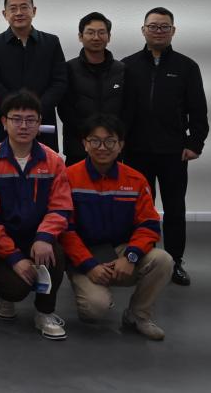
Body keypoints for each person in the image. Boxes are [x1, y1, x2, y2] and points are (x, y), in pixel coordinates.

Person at [60, 114, 172, 340]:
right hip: (84, 256)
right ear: (84, 144)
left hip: (121, 252)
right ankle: (91, 289)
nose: (102, 147)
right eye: (95, 141)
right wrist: (89, 265)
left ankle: (137, 315)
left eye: (110, 141)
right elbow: (65, 230)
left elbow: (149, 225)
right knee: (94, 310)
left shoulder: (135, 180)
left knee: (163, 260)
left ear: (121, 145)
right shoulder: (68, 178)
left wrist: (130, 256)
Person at [122, 6, 208, 286]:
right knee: (138, 210)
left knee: (174, 209)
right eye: (153, 26)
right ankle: (140, 259)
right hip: (136, 151)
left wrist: (195, 144)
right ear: (143, 30)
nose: (158, 31)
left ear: (173, 31)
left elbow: (198, 110)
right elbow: (120, 110)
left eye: (164, 27)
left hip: (173, 152)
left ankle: (175, 262)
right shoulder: (127, 66)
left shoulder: (187, 67)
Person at [0, 90, 72, 340]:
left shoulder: (53, 161)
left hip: (39, 237)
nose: (23, 126)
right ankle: (5, 298)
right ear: (4, 122)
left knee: (54, 253)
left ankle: (44, 313)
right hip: (3, 241)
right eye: (16, 119)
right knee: (15, 287)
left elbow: (60, 207)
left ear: (40, 123)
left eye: (30, 120)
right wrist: (14, 256)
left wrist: (44, 237)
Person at [0, 0, 67, 151]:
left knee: (46, 164)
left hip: (43, 120)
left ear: (33, 11)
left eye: (24, 7)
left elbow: (59, 81)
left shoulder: (51, 42)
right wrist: (15, 115)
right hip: (6, 123)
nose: (19, 13)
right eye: (13, 8)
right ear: (5, 14)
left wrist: (36, 113)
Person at [57, 12, 125, 165]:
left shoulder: (122, 70)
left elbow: (128, 109)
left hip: (112, 147)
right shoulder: (68, 69)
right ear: (80, 36)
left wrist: (110, 136)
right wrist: (89, 135)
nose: (96, 37)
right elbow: (64, 109)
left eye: (101, 32)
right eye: (90, 32)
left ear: (109, 37)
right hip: (77, 146)